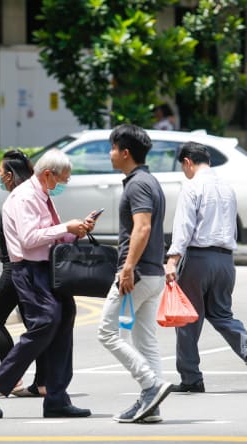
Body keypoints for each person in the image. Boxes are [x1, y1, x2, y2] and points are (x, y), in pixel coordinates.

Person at [0, 149, 93, 419]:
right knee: (46, 322)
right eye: (62, 180)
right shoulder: (25, 197)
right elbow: (29, 239)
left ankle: (56, 398)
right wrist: (65, 228)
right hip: (28, 269)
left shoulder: (43, 195)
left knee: (64, 320)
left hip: (47, 268)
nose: (63, 184)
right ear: (48, 174)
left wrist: (76, 231)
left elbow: (51, 237)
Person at [164, 141, 247, 394]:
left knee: (187, 320)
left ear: (187, 162)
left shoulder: (192, 186)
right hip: (225, 260)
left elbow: (184, 226)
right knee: (221, 314)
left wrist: (172, 260)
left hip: (199, 259)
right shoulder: (226, 187)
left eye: (183, 167)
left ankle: (191, 378)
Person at [97, 124, 172, 424]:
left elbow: (143, 227)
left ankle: (150, 386)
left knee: (107, 332)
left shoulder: (138, 184)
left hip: (137, 273)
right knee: (146, 341)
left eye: (113, 148)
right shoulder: (149, 181)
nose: (110, 154)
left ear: (125, 152)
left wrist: (127, 268)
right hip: (152, 273)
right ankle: (152, 406)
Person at [0, 149, 46, 397]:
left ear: (9, 176)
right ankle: (42, 382)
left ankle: (11, 378)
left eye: (0, 173)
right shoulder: (33, 195)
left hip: (16, 268)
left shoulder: (18, 199)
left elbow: (26, 238)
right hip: (29, 269)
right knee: (36, 327)